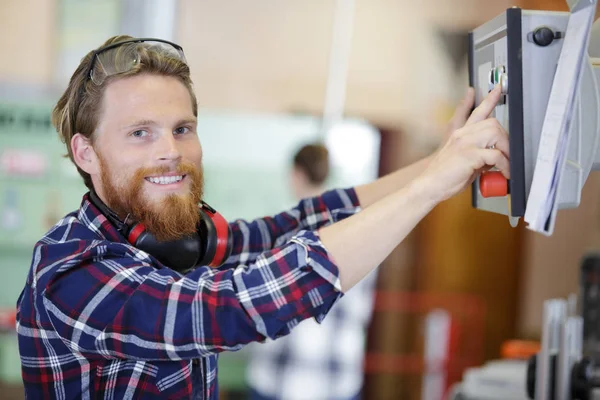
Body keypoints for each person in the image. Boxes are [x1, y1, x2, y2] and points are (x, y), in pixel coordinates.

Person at [15, 35, 509, 399]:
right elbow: (236, 307)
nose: (171, 151)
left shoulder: (166, 236)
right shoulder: (73, 275)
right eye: (139, 132)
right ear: (84, 152)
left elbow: (295, 226)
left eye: (182, 128)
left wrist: (438, 162)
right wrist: (430, 187)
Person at [245, 143, 378, 400]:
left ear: (296, 174)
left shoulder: (277, 233)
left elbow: (258, 307)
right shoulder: (360, 232)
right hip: (335, 376)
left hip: (277, 375)